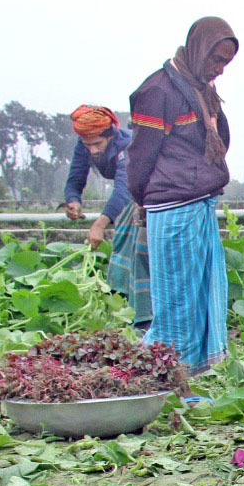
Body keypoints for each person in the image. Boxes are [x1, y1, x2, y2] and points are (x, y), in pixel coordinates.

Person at [127, 17, 238, 375]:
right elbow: (140, 158)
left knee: (201, 297)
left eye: (225, 63)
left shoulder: (200, 90)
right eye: (216, 60)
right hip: (173, 208)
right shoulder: (158, 91)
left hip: (198, 203)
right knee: (177, 303)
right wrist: (142, 201)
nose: (219, 69)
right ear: (198, 50)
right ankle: (164, 377)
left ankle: (188, 376)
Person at [64, 105, 151, 327]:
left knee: (132, 244)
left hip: (150, 189)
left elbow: (124, 189)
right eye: (88, 145)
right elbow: (76, 177)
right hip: (133, 191)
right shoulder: (84, 145)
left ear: (110, 136)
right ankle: (124, 304)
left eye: (97, 144)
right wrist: (73, 201)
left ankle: (136, 308)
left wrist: (100, 225)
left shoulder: (128, 144)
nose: (92, 150)